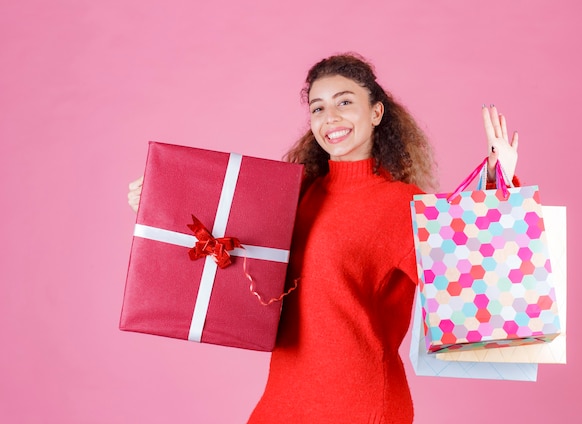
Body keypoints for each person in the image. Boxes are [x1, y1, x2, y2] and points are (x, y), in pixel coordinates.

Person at [127, 53, 519, 423]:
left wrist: (497, 186)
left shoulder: (404, 204)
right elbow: (226, 248)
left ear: (376, 112)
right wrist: (159, 206)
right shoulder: (297, 195)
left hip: (359, 403)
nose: (330, 117)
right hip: (285, 395)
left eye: (345, 102)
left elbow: (472, 280)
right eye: (318, 107)